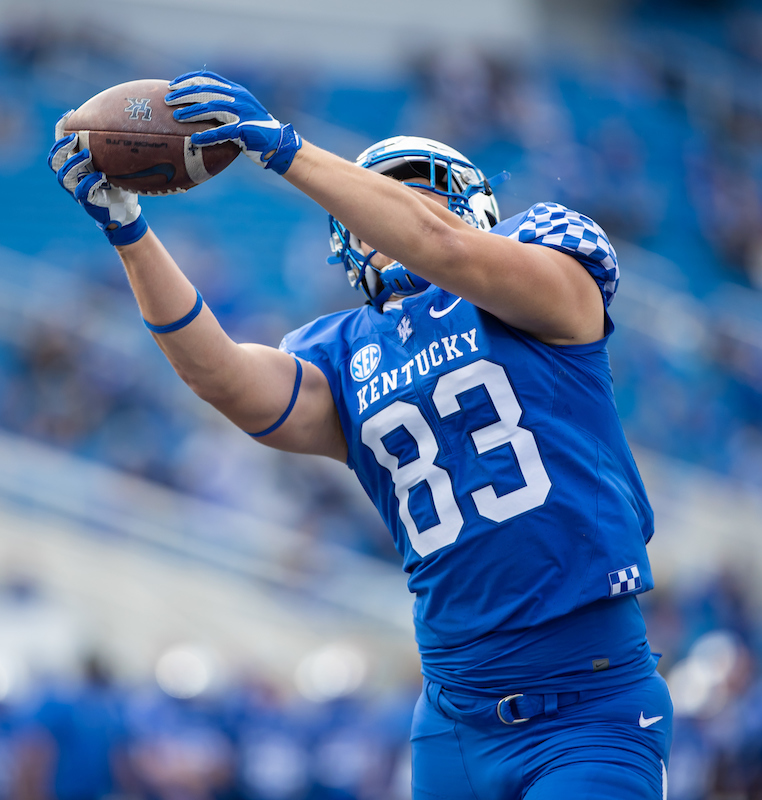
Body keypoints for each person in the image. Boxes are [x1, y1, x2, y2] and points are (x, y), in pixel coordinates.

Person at [49, 69, 673, 799]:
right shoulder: (344, 351)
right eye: (384, 195)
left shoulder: (547, 265)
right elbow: (223, 378)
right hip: (454, 717)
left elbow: (448, 249)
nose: (398, 210)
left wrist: (285, 149)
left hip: (588, 706)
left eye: (419, 188)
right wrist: (129, 234)